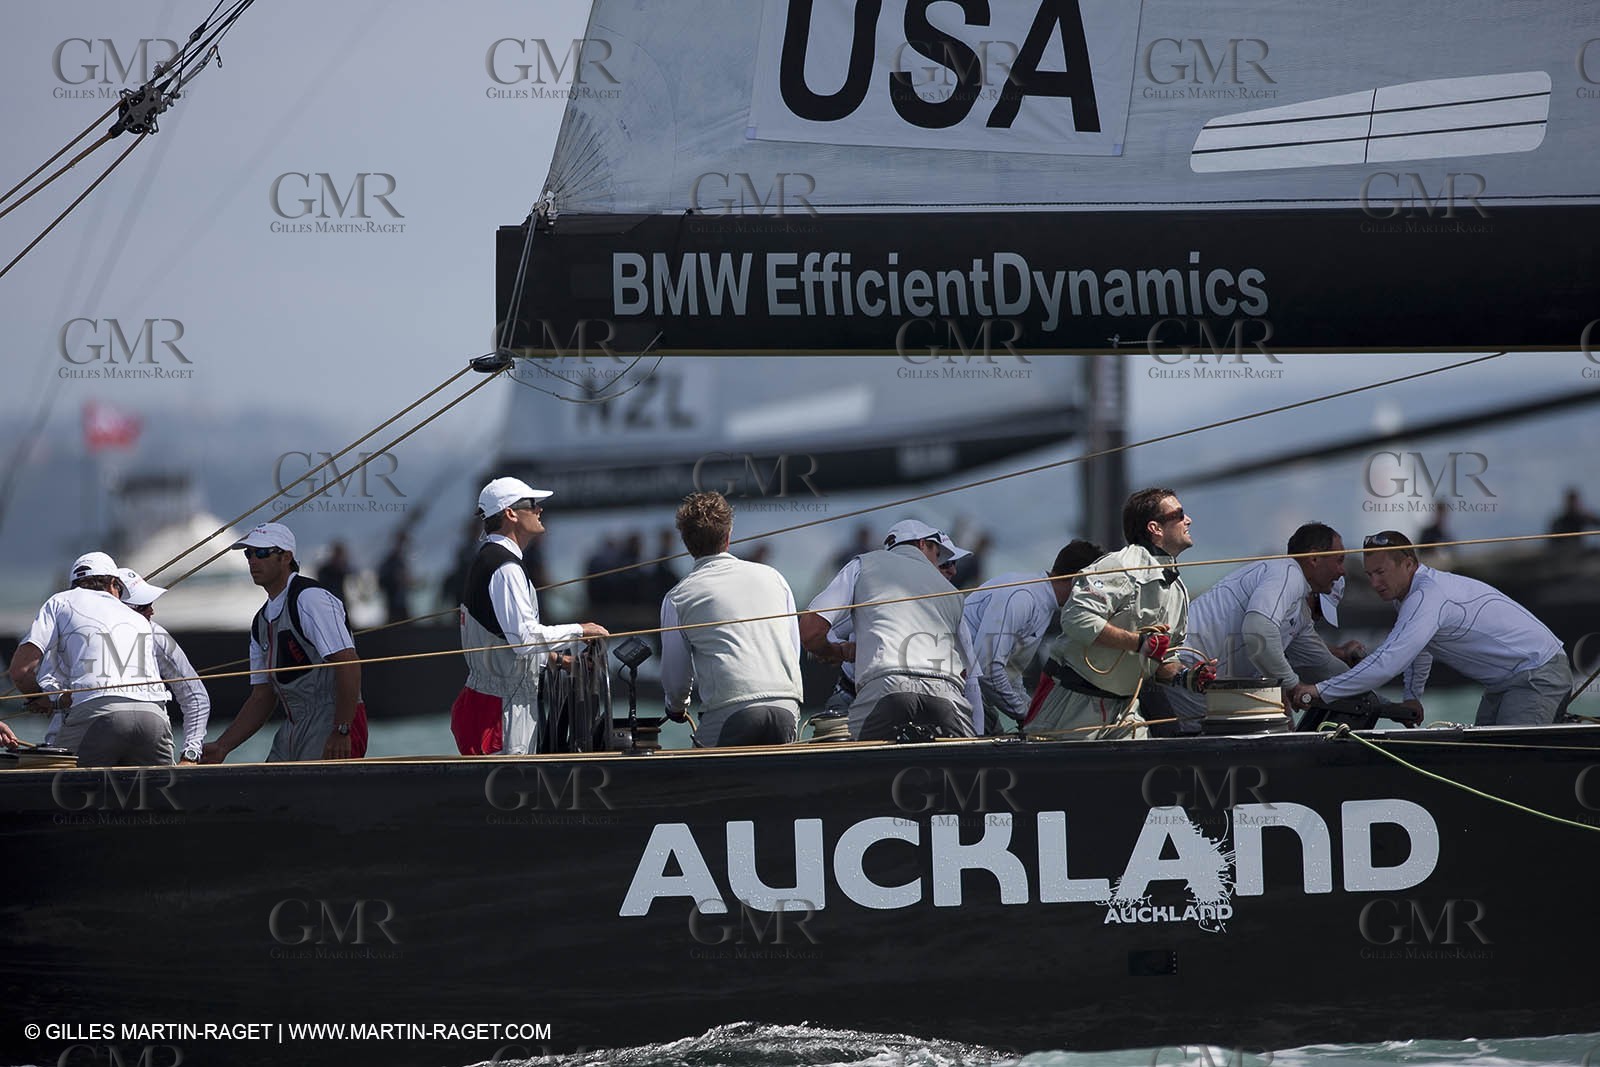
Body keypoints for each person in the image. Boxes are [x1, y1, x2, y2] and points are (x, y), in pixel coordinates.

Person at [1289, 531, 1572, 726]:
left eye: (1381, 573)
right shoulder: (1411, 597)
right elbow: (1420, 649)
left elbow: (1388, 663)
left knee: (1508, 769)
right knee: (1484, 762)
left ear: (1409, 564)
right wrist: (1412, 697)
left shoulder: (1427, 596)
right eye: (1369, 575)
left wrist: (1319, 691)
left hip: (1536, 675)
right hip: (1504, 683)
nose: (1374, 584)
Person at [1028, 488, 1216, 740]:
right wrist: (1138, 643)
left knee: (1141, 773)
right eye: (1179, 514)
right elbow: (1076, 618)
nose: (1188, 520)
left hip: (1125, 710)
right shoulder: (1119, 566)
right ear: (1155, 528)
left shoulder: (1176, 587)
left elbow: (1161, 661)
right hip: (1073, 705)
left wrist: (1187, 677)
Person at [452, 477, 609, 755]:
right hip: (501, 711)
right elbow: (523, 639)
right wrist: (581, 630)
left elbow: (502, 638)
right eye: (533, 504)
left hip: (490, 703)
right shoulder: (505, 567)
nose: (540, 510)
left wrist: (559, 661)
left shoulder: (488, 558)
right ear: (511, 513)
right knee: (511, 793)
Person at [1161, 523, 1352, 735]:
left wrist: (1369, 692)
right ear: (1314, 558)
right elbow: (1258, 632)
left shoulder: (1299, 612)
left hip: (1203, 683)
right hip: (1184, 672)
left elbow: (1325, 666)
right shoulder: (1288, 572)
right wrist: (1294, 686)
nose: (1341, 570)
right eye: (1339, 560)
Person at [203, 522, 368, 763]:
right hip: (294, 725)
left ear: (286, 557)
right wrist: (222, 746)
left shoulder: (311, 599)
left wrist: (342, 729)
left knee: (317, 799)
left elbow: (348, 664)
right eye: (248, 554)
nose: (252, 561)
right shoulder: (260, 621)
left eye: (261, 553)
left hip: (336, 721)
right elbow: (262, 696)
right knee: (270, 797)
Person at [799, 519, 975, 741]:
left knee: (855, 766)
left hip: (887, 686)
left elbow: (810, 631)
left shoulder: (864, 564)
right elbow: (971, 677)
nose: (946, 565)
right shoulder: (953, 593)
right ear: (922, 545)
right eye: (938, 554)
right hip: (947, 693)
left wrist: (836, 653)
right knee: (967, 768)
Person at [659, 491, 804, 746]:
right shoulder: (774, 577)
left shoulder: (678, 597)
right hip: (787, 706)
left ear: (686, 542)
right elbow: (793, 649)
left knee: (696, 782)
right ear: (728, 536)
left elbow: (675, 675)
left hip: (731, 709)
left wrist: (676, 707)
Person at [8, 552, 172, 766]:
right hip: (155, 716)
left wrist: (38, 697)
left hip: (99, 716)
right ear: (114, 583)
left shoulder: (59, 601)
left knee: (53, 777)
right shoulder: (137, 617)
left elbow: (20, 671)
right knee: (161, 795)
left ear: (75, 585)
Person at [959, 539, 1104, 735]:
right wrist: (1026, 715)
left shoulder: (1042, 601)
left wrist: (1033, 712)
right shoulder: (1023, 597)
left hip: (971, 692)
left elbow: (1011, 673)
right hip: (958, 690)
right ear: (1077, 580)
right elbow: (988, 669)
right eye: (1096, 587)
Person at [115, 567, 211, 764]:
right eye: (143, 606)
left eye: (150, 603)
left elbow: (196, 697)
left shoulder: (156, 634)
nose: (152, 610)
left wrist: (190, 754)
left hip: (145, 735)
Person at [377, 530, 412, 624]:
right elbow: (382, 580)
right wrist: (396, 579)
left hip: (402, 603)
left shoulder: (402, 560)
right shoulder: (390, 562)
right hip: (394, 604)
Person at [1416, 502, 1456, 570]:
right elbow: (1421, 551)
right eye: (1439, 513)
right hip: (1431, 565)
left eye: (1443, 514)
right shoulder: (1427, 533)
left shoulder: (1446, 534)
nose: (1441, 516)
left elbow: (1453, 551)